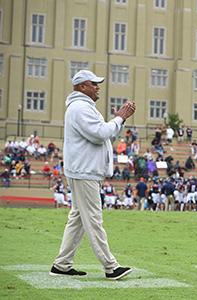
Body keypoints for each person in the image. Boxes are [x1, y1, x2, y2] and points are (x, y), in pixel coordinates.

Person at [50, 70, 135, 280]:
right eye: (93, 83)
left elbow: (102, 133)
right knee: (93, 219)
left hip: (84, 170)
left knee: (78, 218)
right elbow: (101, 134)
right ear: (81, 87)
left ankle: (62, 264)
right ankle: (110, 266)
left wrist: (117, 120)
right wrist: (120, 117)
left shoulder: (83, 107)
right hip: (84, 171)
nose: (98, 87)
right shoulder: (80, 108)